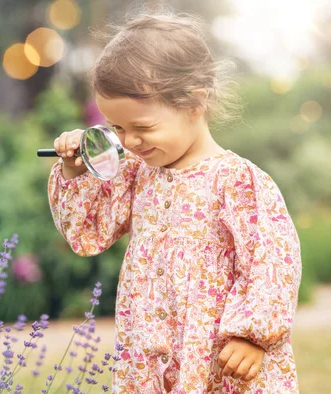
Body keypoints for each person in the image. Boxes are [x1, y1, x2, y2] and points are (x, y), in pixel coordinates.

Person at [47, 11, 302, 394]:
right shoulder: (135, 174)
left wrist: (252, 335)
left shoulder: (237, 181)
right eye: (117, 127)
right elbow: (88, 233)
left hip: (218, 358)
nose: (130, 141)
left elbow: (273, 260)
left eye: (143, 127)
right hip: (147, 350)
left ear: (194, 104)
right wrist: (74, 171)